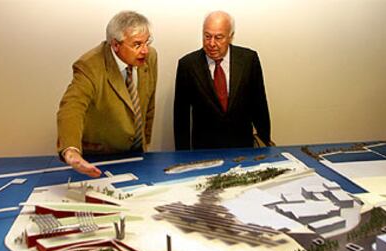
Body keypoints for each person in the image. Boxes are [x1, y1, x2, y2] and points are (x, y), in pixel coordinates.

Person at [57, 11, 157, 178]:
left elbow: (148, 103)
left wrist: (144, 144)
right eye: (137, 44)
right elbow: (72, 107)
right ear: (115, 44)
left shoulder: (150, 56)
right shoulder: (90, 66)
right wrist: (71, 150)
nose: (145, 50)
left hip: (138, 156)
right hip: (101, 159)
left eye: (147, 42)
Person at [174, 11, 273, 150]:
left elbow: (259, 104)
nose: (211, 43)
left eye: (219, 37)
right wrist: (182, 155)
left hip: (242, 147)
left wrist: (266, 142)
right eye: (207, 36)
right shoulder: (188, 65)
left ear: (230, 37)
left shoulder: (248, 60)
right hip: (204, 149)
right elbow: (181, 117)